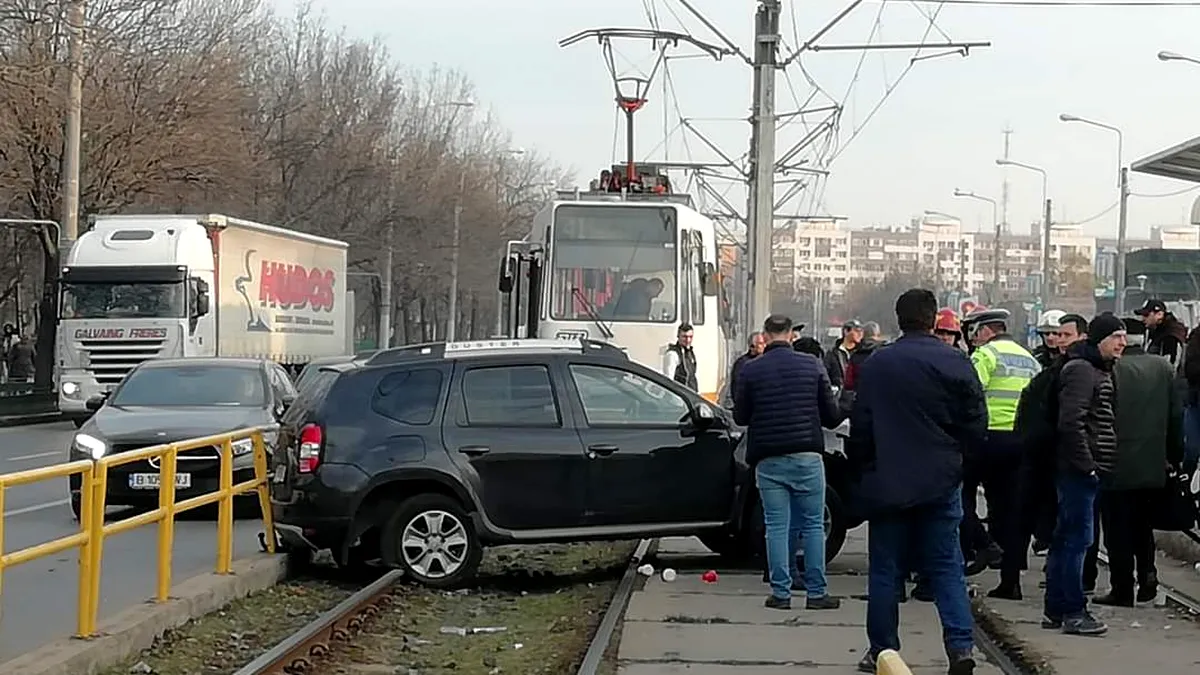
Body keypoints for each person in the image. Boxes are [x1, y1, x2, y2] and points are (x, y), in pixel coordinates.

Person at [848, 289, 986, 674]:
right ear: (932, 321)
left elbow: (862, 424)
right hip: (941, 480)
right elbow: (976, 421)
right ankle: (961, 648)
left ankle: (882, 651)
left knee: (885, 570)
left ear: (899, 319)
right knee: (946, 567)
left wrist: (864, 469)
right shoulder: (956, 362)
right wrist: (961, 464)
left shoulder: (878, 364)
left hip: (889, 480)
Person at [734, 314, 844, 612]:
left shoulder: (751, 370)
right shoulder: (813, 365)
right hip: (807, 456)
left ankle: (781, 594)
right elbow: (832, 417)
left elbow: (740, 417)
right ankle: (816, 593)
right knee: (811, 525)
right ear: (791, 336)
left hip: (769, 460)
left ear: (766, 336)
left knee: (776, 526)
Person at [1045, 313, 1124, 637]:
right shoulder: (1082, 370)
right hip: (1078, 470)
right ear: (1099, 339)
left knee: (1067, 538)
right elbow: (1071, 422)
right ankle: (1073, 610)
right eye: (1116, 336)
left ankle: (1056, 608)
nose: (1122, 343)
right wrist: (1087, 464)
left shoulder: (1098, 369)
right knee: (1077, 540)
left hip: (1083, 468)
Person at [1095, 317, 1183, 606]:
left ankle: (1122, 588)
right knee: (1143, 525)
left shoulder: (1111, 370)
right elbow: (1175, 417)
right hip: (1153, 463)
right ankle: (1148, 577)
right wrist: (1174, 457)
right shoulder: (1163, 367)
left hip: (1117, 463)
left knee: (1117, 527)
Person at [962, 307, 1041, 600]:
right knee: (1010, 509)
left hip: (986, 438)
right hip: (1019, 441)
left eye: (975, 332)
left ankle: (980, 545)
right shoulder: (1029, 359)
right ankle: (1010, 579)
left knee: (961, 494)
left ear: (985, 331)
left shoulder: (986, 354)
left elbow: (969, 393)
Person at [1135, 299, 1187, 367]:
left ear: (1159, 314)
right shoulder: (1154, 331)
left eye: (1146, 315)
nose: (1143, 318)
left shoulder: (1171, 336)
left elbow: (1171, 366)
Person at [727, 332, 766, 408]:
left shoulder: (766, 361)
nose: (764, 346)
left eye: (765, 343)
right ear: (752, 347)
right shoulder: (742, 364)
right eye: (761, 343)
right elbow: (738, 389)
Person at [824, 319, 863, 390]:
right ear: (846, 332)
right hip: (840, 396)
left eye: (861, 331)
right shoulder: (832, 354)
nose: (860, 334)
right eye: (857, 331)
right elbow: (825, 374)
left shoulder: (862, 353)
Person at [663, 323, 698, 390]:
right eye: (684, 337)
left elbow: (692, 376)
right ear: (678, 336)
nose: (688, 340)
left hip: (691, 393)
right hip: (680, 395)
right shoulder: (672, 354)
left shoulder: (690, 352)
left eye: (690, 337)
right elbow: (669, 379)